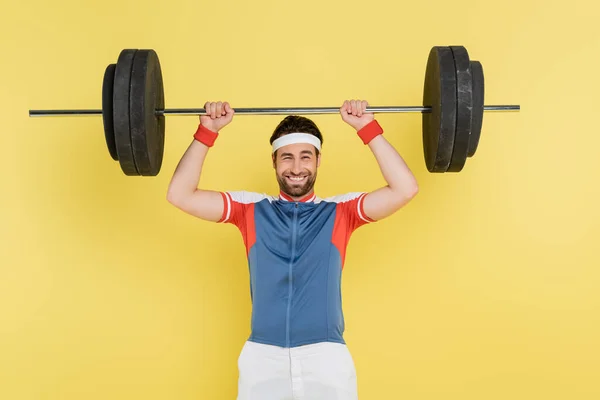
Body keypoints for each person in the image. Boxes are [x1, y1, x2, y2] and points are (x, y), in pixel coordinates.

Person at [166, 100, 419, 400]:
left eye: (305, 157)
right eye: (287, 158)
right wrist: (206, 131)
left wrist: (368, 128)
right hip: (262, 358)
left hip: (325, 359)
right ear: (274, 161)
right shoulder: (250, 209)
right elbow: (179, 194)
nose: (296, 168)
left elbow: (405, 188)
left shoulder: (341, 211)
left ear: (318, 160)